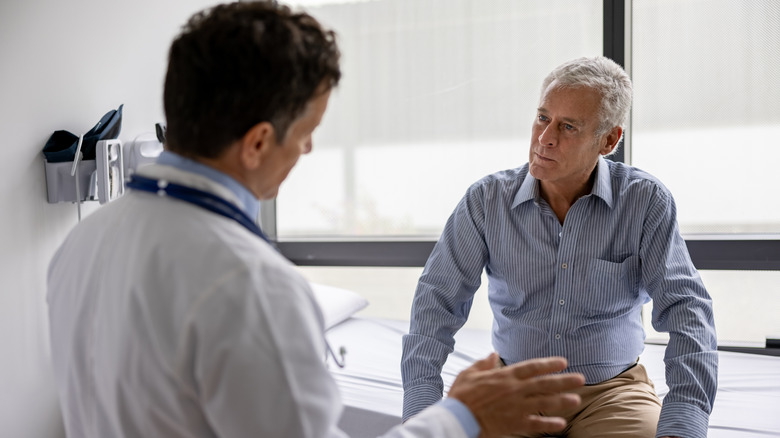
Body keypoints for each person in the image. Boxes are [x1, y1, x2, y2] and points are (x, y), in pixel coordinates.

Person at [46, 2, 586, 437]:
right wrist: (463, 416)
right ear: (258, 141)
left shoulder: (82, 242)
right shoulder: (251, 284)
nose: (307, 149)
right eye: (307, 130)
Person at [400, 56, 718, 438]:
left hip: (613, 393)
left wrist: (683, 421)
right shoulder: (485, 201)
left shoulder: (644, 201)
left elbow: (688, 311)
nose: (545, 137)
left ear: (609, 140)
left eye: (568, 126)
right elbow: (436, 304)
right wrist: (422, 407)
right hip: (513, 390)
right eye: (542, 118)